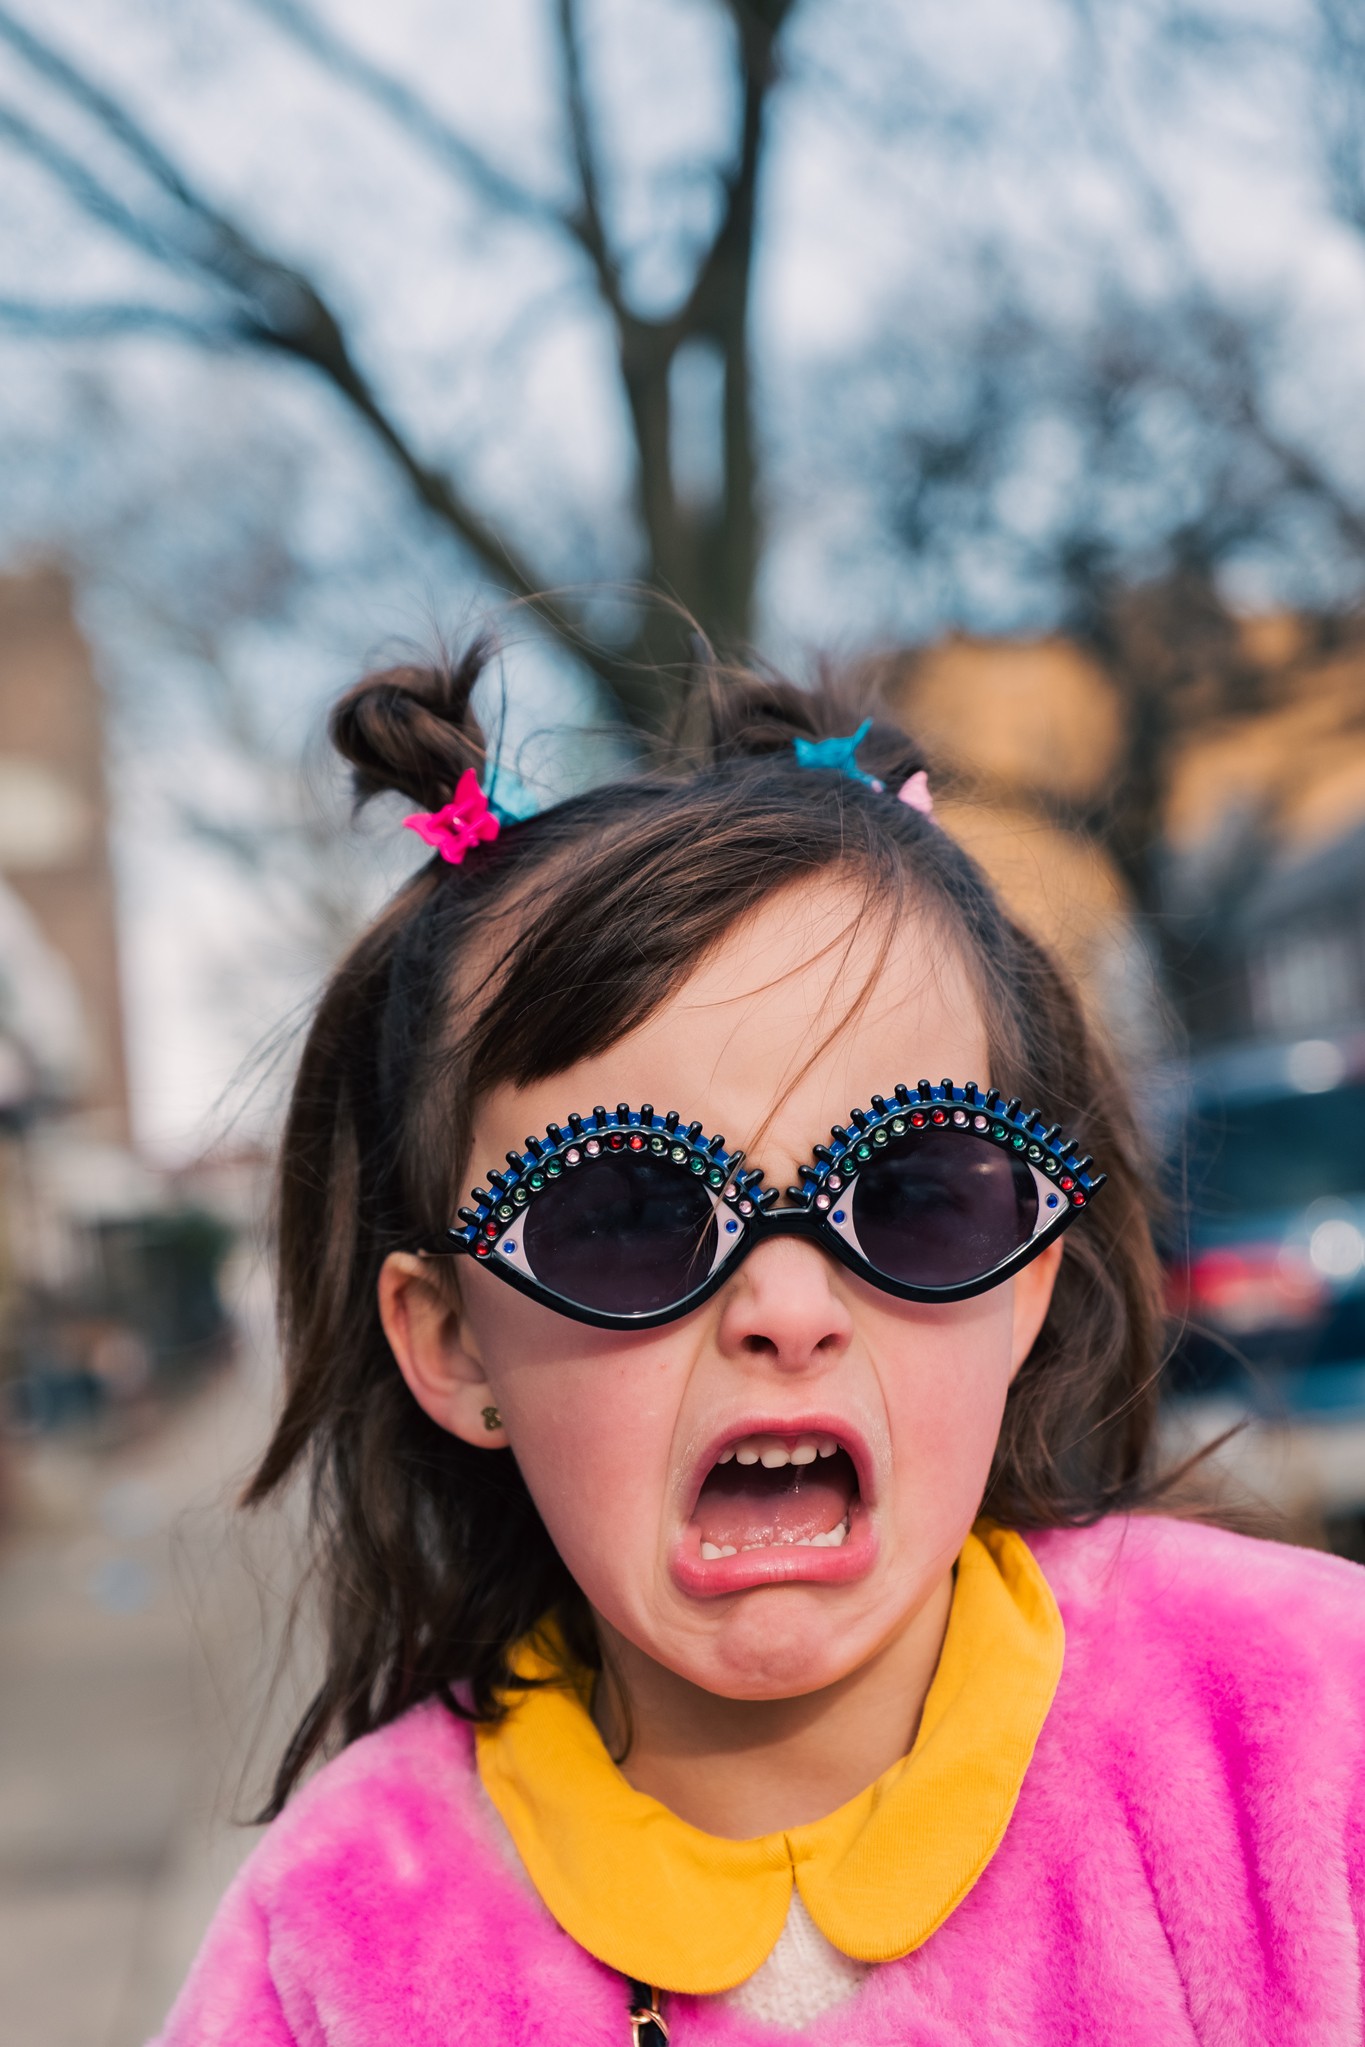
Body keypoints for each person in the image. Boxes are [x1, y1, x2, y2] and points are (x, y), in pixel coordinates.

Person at [152, 648, 1365, 2047]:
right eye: (618, 1213)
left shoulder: (1300, 1730)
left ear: (1030, 1274)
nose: (786, 1307)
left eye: (916, 1194)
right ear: (452, 1344)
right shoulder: (339, 1940)